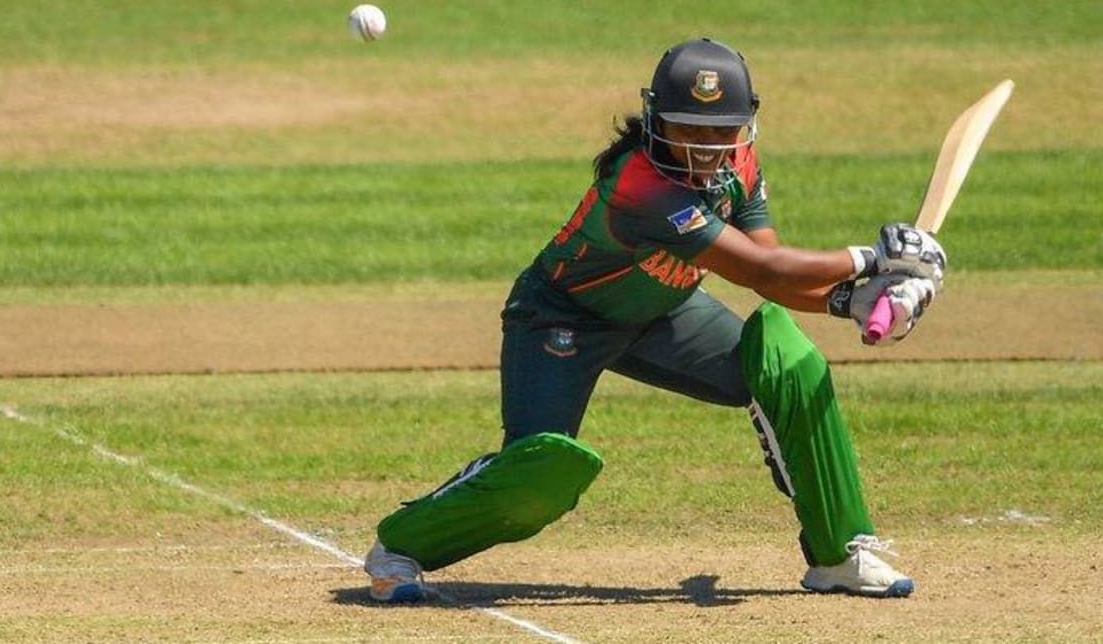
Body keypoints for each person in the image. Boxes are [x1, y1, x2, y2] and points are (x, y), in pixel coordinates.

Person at [362, 38, 945, 603]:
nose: (704, 146)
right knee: (540, 470)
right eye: (686, 127)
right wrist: (875, 256)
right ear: (653, 120)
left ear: (745, 124)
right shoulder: (640, 187)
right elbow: (759, 265)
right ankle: (400, 546)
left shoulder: (738, 164)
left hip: (662, 312)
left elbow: (773, 278)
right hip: (563, 318)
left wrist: (855, 301)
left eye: (719, 132)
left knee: (789, 361)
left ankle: (839, 554)